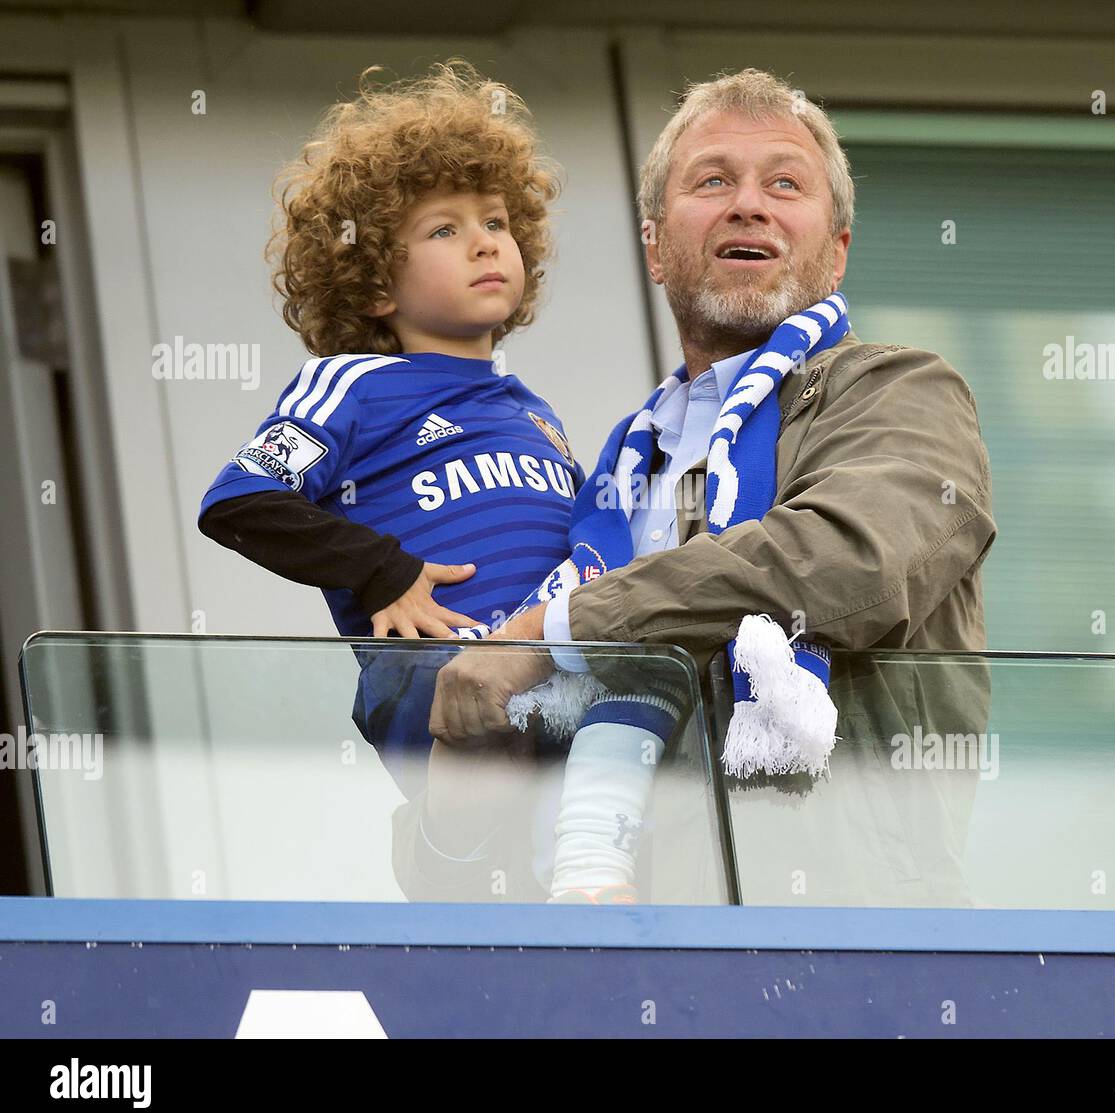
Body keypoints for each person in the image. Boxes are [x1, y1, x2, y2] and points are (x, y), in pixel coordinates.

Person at [401, 67, 998, 904]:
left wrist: (555, 629)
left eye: (785, 183)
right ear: (654, 244)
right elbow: (445, 873)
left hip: (836, 955)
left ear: (838, 250)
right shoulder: (610, 476)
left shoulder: (900, 393)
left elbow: (847, 562)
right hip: (594, 966)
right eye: (713, 180)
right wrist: (454, 795)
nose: (749, 204)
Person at [196, 60, 639, 896]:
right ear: (370, 283)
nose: (484, 242)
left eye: (498, 221)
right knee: (490, 772)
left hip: (543, 670)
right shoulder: (353, 383)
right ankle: (452, 882)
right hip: (432, 672)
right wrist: (380, 570)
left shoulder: (537, 413)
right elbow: (239, 500)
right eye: (444, 230)